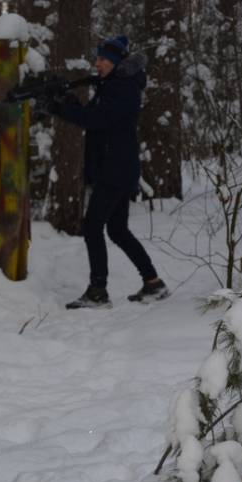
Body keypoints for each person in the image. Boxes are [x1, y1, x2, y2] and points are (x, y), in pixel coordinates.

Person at [46, 35, 170, 309]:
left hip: (114, 170)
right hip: (116, 168)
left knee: (93, 227)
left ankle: (98, 291)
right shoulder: (113, 85)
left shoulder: (122, 89)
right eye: (98, 58)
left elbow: (97, 120)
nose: (97, 63)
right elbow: (91, 115)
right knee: (117, 230)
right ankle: (153, 283)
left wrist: (60, 109)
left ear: (115, 62)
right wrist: (65, 100)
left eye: (102, 59)